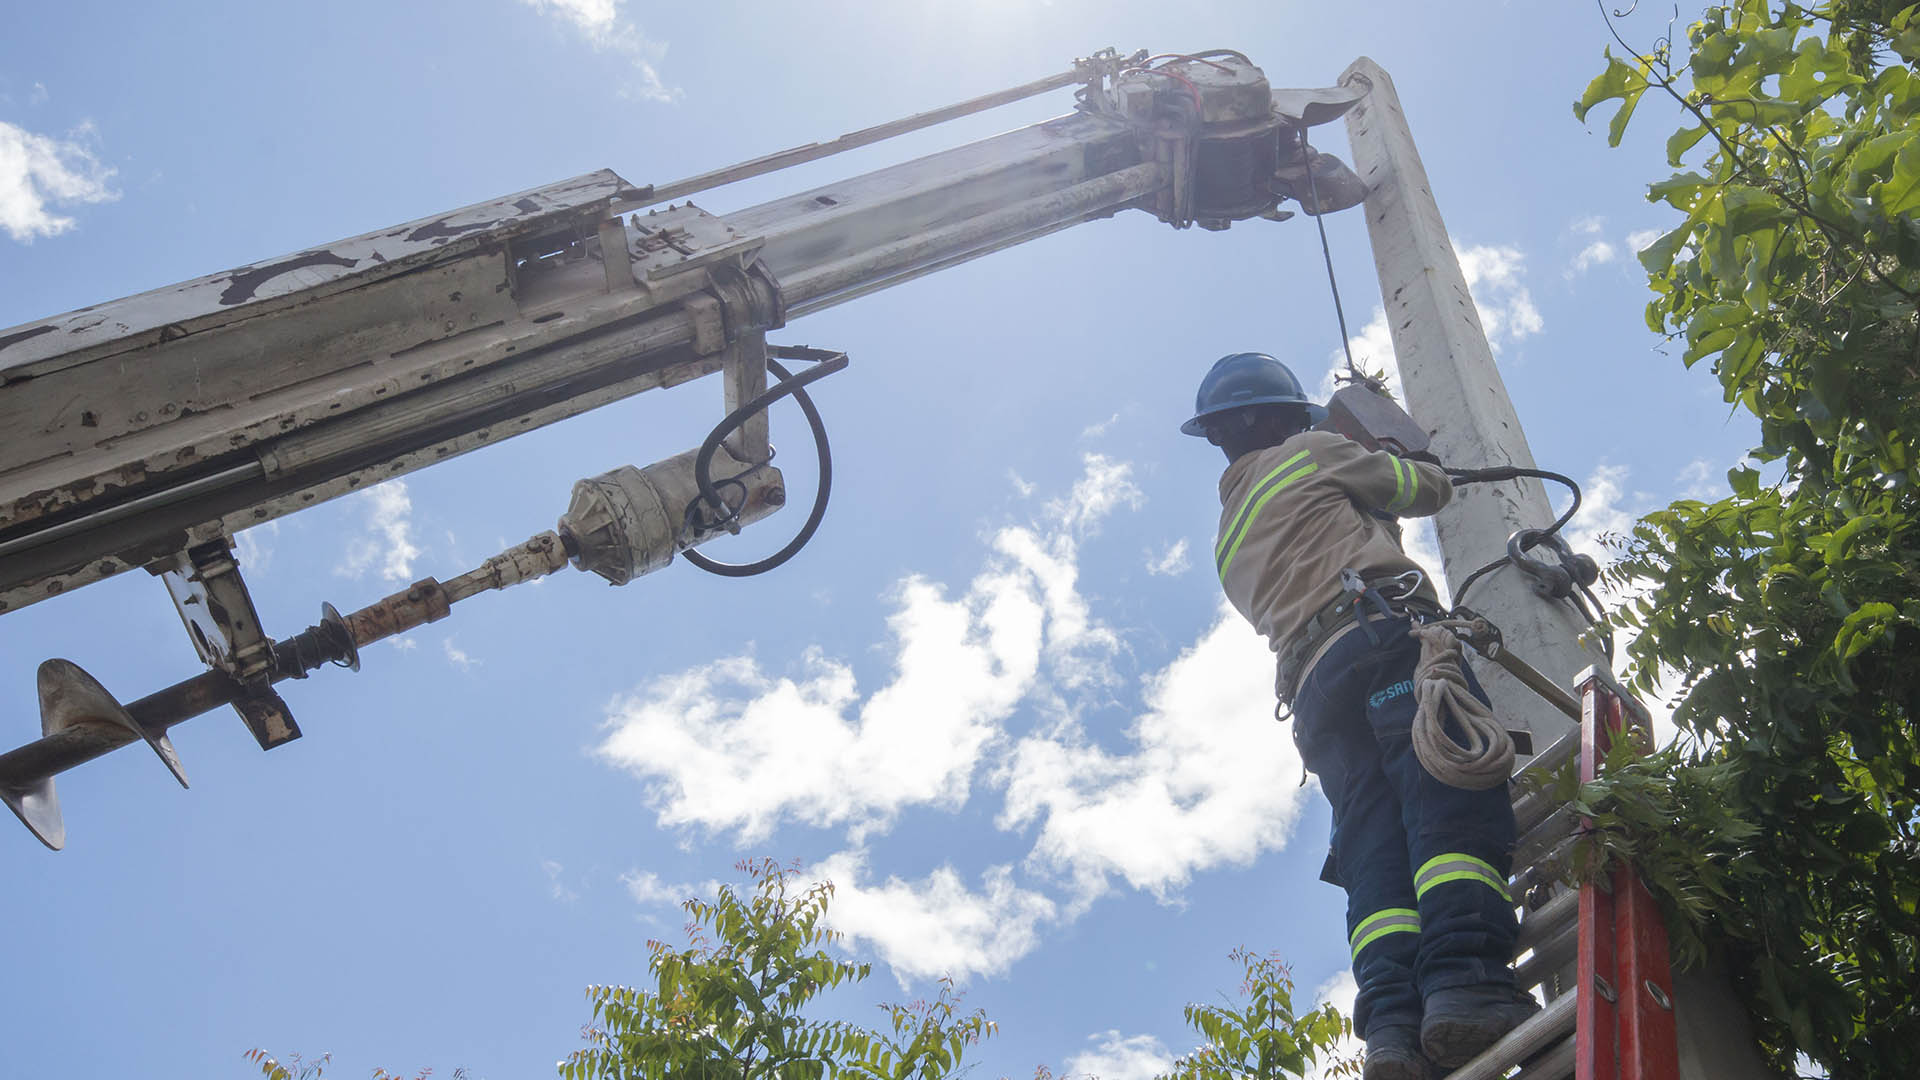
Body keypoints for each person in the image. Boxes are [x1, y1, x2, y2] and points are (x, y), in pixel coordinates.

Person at [1182, 352, 1536, 1080]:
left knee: (1373, 851)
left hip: (1315, 695)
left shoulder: (1227, 535)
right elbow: (1425, 488)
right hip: (1381, 643)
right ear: (1272, 418)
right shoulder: (1311, 453)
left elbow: (1310, 545)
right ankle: (1467, 984)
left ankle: (1395, 1035)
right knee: (1448, 796)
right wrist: (1391, 458)